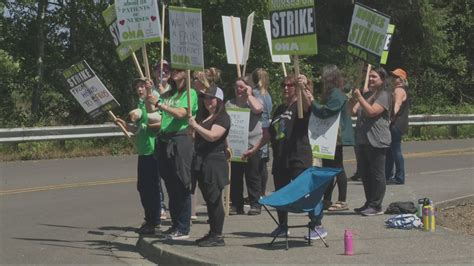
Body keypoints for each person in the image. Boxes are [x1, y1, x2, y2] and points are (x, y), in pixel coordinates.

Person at [269, 74, 328, 240]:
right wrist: (255, 147)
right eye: (283, 85)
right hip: (281, 157)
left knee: (306, 191)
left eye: (290, 85)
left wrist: (303, 88)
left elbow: (311, 106)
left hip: (299, 156)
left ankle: (317, 225)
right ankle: (282, 226)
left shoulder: (301, 106)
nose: (286, 88)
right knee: (281, 192)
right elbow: (270, 132)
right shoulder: (280, 109)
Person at [146, 68, 198, 239]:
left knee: (181, 183)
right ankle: (175, 224)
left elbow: (181, 113)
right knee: (170, 185)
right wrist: (149, 94)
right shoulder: (169, 93)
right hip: (165, 139)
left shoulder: (190, 93)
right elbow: (152, 111)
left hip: (180, 139)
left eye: (178, 70)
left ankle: (183, 227)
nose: (174, 72)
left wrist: (159, 103)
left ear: (187, 73)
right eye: (173, 69)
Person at [115, 77, 161, 235]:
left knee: (151, 188)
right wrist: (125, 125)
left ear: (149, 86)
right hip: (143, 151)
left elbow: (158, 124)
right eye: (138, 87)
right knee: (143, 187)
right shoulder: (141, 103)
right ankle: (150, 219)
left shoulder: (155, 100)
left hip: (154, 150)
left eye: (143, 86)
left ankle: (154, 221)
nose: (140, 89)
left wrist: (142, 117)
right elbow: (138, 129)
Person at [307, 65, 355, 211]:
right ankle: (326, 199)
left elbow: (326, 112)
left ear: (329, 78)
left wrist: (312, 102)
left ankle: (342, 200)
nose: (321, 79)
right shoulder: (333, 93)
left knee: (337, 167)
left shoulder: (336, 94)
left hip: (336, 136)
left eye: (323, 76)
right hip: (330, 136)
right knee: (328, 168)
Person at [189, 85, 230, 247]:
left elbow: (213, 136)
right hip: (202, 161)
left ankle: (218, 235)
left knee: (214, 200)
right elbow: (197, 138)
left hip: (214, 162)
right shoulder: (205, 117)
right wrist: (191, 131)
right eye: (205, 98)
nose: (207, 101)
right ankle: (212, 232)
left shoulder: (222, 117)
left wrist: (196, 126)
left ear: (218, 100)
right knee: (208, 198)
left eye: (210, 98)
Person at [349, 67, 392, 216]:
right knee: (365, 173)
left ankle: (376, 205)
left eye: (374, 77)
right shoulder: (367, 94)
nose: (371, 79)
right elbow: (353, 111)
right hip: (363, 139)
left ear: (382, 79)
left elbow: (372, 111)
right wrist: (353, 98)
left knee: (377, 174)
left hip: (377, 140)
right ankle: (369, 202)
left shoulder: (385, 95)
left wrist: (360, 98)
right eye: (370, 76)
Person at [225, 78, 264, 215]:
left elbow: (258, 109)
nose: (239, 90)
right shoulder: (230, 103)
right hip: (235, 145)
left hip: (251, 145)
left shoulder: (254, 102)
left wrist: (249, 95)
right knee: (235, 177)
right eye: (236, 87)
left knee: (252, 176)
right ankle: (236, 205)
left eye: (242, 87)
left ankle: (255, 204)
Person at [386, 68, 410, 185]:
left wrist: (390, 119)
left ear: (401, 79)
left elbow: (397, 104)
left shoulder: (399, 90)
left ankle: (399, 177)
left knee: (395, 150)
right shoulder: (400, 90)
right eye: (393, 76)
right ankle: (388, 175)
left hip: (396, 124)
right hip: (400, 124)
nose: (393, 79)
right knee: (391, 151)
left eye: (395, 77)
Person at [251, 68, 272, 197]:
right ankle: (262, 191)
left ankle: (258, 192)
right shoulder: (267, 94)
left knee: (257, 163)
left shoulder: (255, 93)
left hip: (258, 128)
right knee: (262, 162)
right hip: (266, 127)